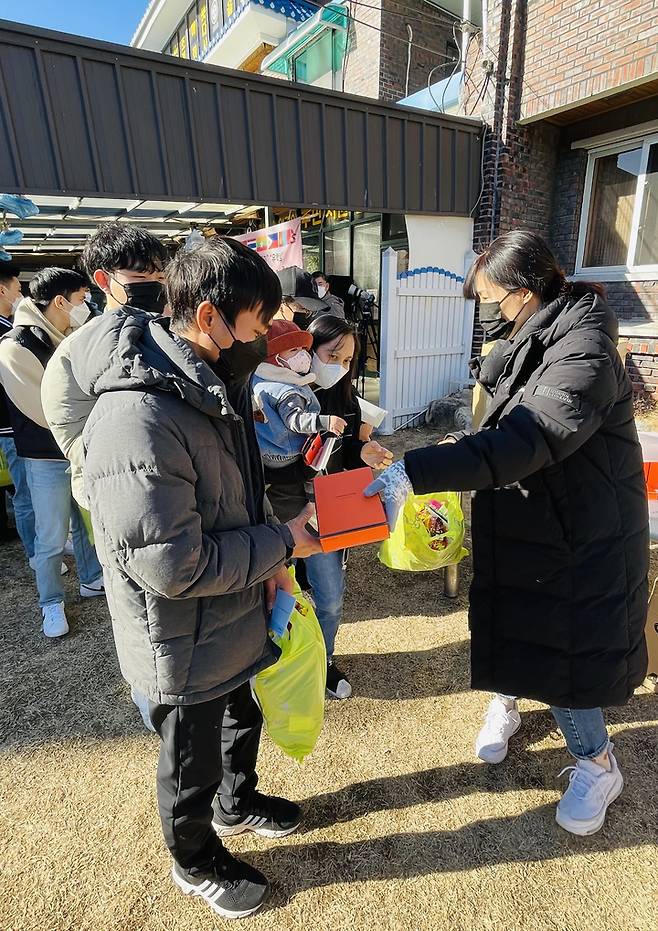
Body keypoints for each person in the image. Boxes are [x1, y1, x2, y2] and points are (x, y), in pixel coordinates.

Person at [366, 230, 649, 836]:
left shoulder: (586, 347)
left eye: (496, 299)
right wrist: (458, 448)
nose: (493, 310)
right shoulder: (534, 334)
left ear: (527, 290)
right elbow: (499, 428)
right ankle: (509, 700)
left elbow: (532, 436)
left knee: (562, 651)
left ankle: (597, 764)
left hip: (575, 534)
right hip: (525, 520)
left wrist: (417, 469)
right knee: (514, 626)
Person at [77, 237, 321, 920]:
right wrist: (282, 542)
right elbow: (170, 564)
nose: (264, 337)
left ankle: (236, 804)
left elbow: (240, 490)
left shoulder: (213, 380)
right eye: (255, 322)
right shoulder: (138, 417)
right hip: (180, 636)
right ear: (209, 315)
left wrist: (273, 563)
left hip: (230, 613)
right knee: (190, 756)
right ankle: (194, 857)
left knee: (240, 715)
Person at [265, 313, 392, 699]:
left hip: (328, 509)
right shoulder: (273, 390)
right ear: (305, 350)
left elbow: (346, 447)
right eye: (333, 354)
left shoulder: (345, 396)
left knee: (330, 596)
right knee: (275, 592)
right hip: (281, 507)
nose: (339, 365)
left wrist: (363, 449)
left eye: (349, 359)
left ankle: (323, 661)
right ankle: (275, 664)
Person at [0, 268, 104, 638]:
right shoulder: (16, 345)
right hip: (46, 455)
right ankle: (51, 602)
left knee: (87, 522)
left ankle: (92, 578)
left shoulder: (74, 335)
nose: (86, 306)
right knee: (50, 534)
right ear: (60, 301)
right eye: (80, 299)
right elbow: (45, 411)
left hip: (79, 447)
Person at [41, 223, 169, 509]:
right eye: (139, 276)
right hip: (116, 488)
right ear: (103, 280)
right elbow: (68, 427)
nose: (155, 285)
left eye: (160, 276)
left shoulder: (169, 332)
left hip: (172, 477)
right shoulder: (81, 347)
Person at [252, 318, 346, 473]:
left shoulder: (259, 377)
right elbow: (295, 420)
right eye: (294, 350)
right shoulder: (287, 391)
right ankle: (312, 494)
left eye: (303, 349)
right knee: (315, 467)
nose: (302, 355)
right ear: (274, 357)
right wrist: (325, 421)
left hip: (264, 448)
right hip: (285, 453)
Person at [0, 260, 35, 552]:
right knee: (25, 495)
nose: (20, 293)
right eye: (17, 287)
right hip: (12, 426)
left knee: (26, 494)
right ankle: (37, 553)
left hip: (13, 425)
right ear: (3, 289)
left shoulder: (8, 327)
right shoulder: (4, 332)